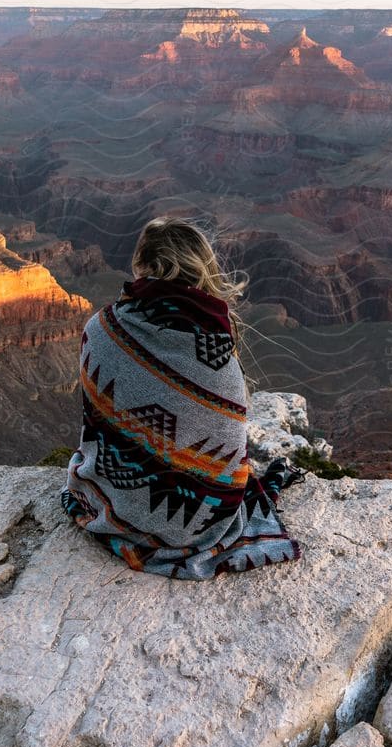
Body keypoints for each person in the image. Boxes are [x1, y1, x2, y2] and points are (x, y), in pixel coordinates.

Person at [61, 216, 304, 577]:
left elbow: (98, 427)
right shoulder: (217, 356)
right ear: (202, 268)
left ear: (141, 265)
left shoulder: (101, 329)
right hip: (201, 523)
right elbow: (230, 458)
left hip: (113, 503)